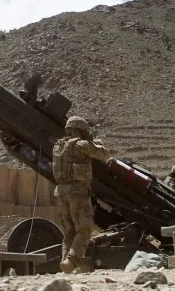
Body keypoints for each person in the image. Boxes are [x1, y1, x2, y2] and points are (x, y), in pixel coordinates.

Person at [52, 116, 110, 274]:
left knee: (69, 231)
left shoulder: (58, 146)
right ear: (81, 130)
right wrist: (96, 140)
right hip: (77, 192)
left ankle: (65, 262)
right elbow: (103, 154)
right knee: (84, 230)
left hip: (61, 192)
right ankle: (71, 261)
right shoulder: (81, 145)